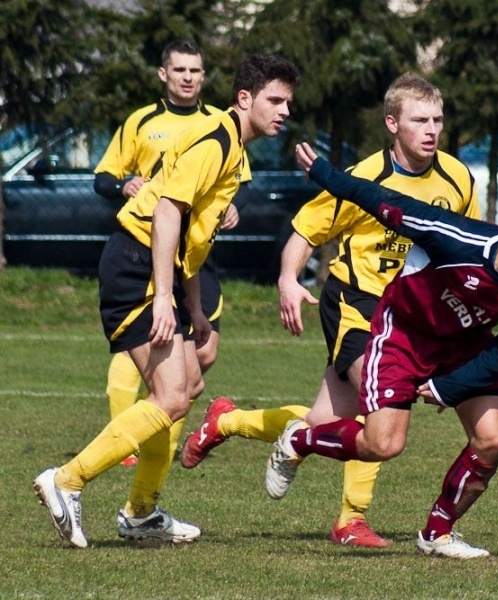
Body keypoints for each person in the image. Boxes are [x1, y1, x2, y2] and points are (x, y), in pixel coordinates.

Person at [180, 73, 481, 548]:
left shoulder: (457, 177)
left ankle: (227, 420)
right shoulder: (365, 178)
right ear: (392, 124)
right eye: (419, 119)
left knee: (323, 423)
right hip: (356, 304)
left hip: (412, 317)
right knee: (380, 403)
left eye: (437, 120)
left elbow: (465, 245)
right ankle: (351, 520)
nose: (431, 129)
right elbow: (305, 231)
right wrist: (287, 280)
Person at [33, 53, 300, 549]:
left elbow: (193, 238)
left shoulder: (235, 151)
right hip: (136, 266)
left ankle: (140, 512)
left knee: (188, 384)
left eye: (289, 102)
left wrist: (193, 307)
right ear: (245, 98)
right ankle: (66, 480)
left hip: (161, 273)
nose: (284, 111)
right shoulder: (217, 141)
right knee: (171, 395)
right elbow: (166, 213)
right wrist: (161, 298)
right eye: (275, 100)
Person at [263, 141, 498, 559]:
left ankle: (438, 533)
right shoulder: (458, 239)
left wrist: (451, 386)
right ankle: (300, 441)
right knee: (384, 445)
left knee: (492, 439)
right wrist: (324, 173)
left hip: (466, 345)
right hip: (403, 335)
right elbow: (382, 201)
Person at [93, 39, 250, 468]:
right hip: (150, 245)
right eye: (179, 70)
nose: (187, 77)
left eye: (194, 71)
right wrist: (124, 184)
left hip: (196, 254)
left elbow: (237, 186)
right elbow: (103, 177)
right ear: (164, 74)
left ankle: (151, 433)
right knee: (159, 365)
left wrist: (234, 205)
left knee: (202, 357)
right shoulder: (142, 121)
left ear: (203, 76)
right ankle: (134, 447)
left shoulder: (222, 125)